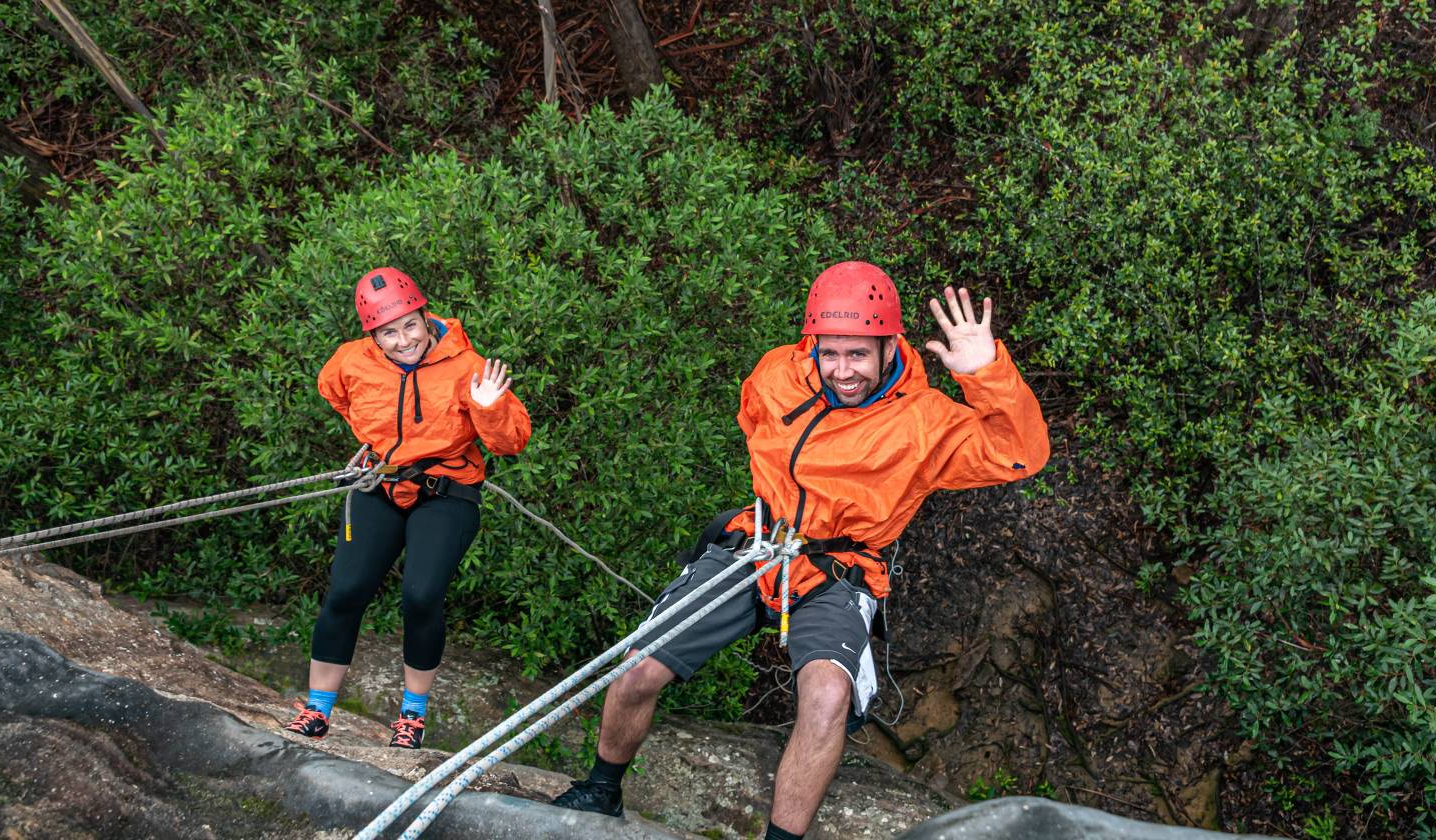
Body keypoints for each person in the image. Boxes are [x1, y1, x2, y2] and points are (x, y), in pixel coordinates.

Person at [551, 261, 1050, 838]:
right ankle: (600, 792)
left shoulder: (925, 422)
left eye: (859, 354)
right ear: (812, 343)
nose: (843, 371)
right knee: (639, 667)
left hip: (839, 568)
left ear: (890, 345)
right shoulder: (777, 377)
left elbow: (1020, 454)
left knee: (826, 697)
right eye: (830, 353)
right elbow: (755, 424)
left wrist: (985, 374)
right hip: (756, 546)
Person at [283, 266, 531, 749]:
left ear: (424, 315)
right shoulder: (350, 362)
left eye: (410, 326)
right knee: (347, 590)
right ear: (372, 335)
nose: (403, 340)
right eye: (388, 332)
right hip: (378, 481)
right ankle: (317, 710)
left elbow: (512, 442)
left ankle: (412, 716)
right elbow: (335, 393)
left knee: (420, 596)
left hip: (446, 490)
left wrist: (486, 407)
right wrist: (376, 443)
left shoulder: (467, 367)